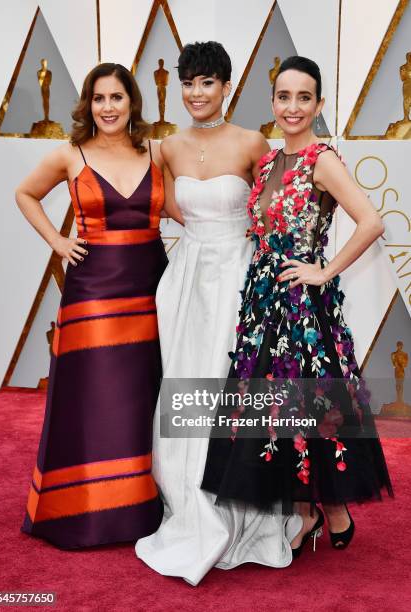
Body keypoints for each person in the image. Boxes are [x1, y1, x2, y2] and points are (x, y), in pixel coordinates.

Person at [202, 55, 393, 557]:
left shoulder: (322, 160)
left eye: (303, 97)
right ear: (273, 102)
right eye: (284, 97)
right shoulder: (267, 161)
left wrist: (324, 270)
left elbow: (371, 221)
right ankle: (306, 511)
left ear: (319, 104)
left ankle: (332, 509)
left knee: (312, 405)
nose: (292, 107)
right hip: (264, 301)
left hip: (304, 309)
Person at [135, 42, 301, 585]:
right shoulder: (167, 147)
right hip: (186, 282)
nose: (196, 94)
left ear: (226, 86)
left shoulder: (253, 142)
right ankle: (189, 505)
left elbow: (278, 209)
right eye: (188, 83)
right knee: (185, 382)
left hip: (238, 276)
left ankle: (244, 510)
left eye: (207, 83)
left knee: (232, 386)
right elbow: (156, 201)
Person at [17, 63, 168, 548]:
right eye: (99, 98)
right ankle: (84, 511)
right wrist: (58, 242)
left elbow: (184, 209)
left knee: (144, 396)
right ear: (89, 104)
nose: (108, 107)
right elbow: (25, 194)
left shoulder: (156, 153)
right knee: (96, 398)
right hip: (94, 291)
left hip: (151, 285)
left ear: (132, 103)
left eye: (117, 98)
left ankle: (143, 507)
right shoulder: (70, 154)